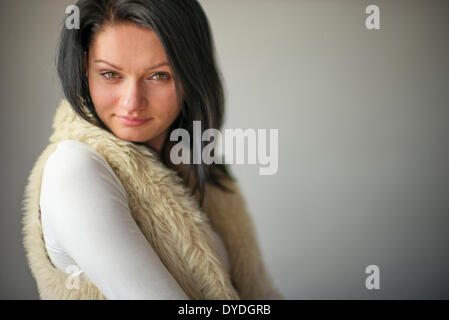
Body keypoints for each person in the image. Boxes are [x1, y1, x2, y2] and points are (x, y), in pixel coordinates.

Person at [22, 0, 283, 300]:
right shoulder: (75, 169)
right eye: (110, 74)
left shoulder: (194, 167)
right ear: (84, 67)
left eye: (159, 75)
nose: (132, 102)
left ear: (190, 76)